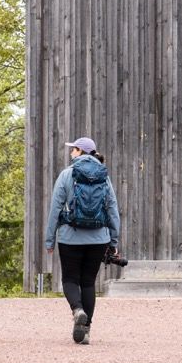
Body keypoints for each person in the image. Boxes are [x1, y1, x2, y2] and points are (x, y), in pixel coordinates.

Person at [44, 136, 121, 345]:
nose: (71, 153)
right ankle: (85, 332)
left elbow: (54, 210)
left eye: (73, 149)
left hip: (70, 238)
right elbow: (112, 209)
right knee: (88, 282)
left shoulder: (66, 175)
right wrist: (113, 241)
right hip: (99, 239)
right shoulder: (104, 177)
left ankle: (77, 310)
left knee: (70, 279)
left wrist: (49, 240)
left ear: (80, 151)